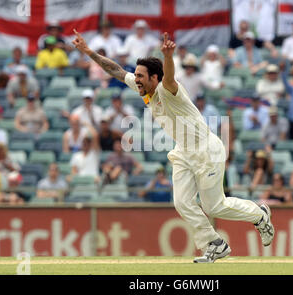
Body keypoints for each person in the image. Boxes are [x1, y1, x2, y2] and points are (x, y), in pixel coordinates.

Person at [72, 29, 274, 263]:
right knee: (181, 202)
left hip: (206, 150)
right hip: (183, 151)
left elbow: (168, 77)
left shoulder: (168, 90)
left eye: (140, 76)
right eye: (136, 75)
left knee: (215, 206)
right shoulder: (144, 91)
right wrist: (87, 51)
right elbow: (116, 70)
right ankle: (215, 243)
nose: (136, 79)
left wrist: (168, 57)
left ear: (154, 78)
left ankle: (259, 215)